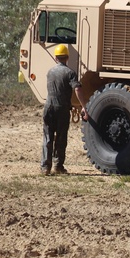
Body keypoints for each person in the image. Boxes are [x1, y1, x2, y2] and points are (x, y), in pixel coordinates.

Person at [41, 44, 87, 175]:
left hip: (48, 107)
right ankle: (58, 166)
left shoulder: (50, 72)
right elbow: (77, 88)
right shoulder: (70, 73)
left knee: (47, 137)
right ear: (67, 57)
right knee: (61, 138)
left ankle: (45, 167)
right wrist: (83, 106)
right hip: (62, 109)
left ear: (56, 57)